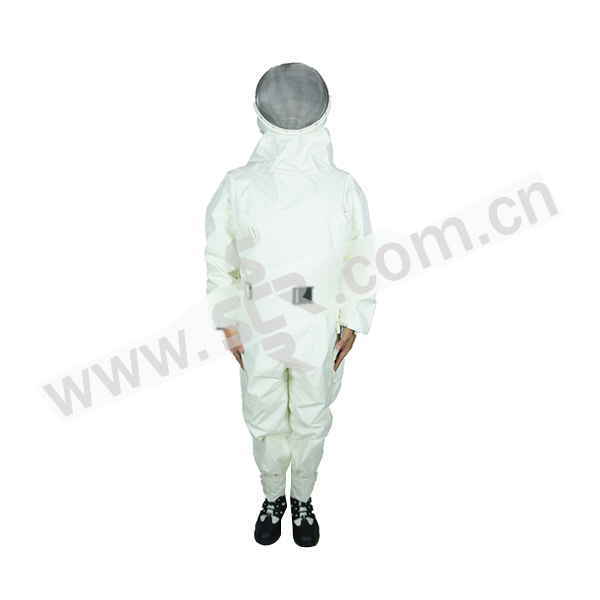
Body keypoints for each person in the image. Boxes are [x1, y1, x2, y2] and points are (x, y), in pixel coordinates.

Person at [204, 63, 376, 547]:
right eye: (288, 100)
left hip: (317, 323)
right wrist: (228, 322)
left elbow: (359, 257)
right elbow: (220, 257)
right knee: (263, 415)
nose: (294, 109)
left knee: (311, 414)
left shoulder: (342, 186)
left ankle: (302, 498)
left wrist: (353, 319)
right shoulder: (239, 185)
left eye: (301, 100)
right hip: (258, 321)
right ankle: (272, 496)